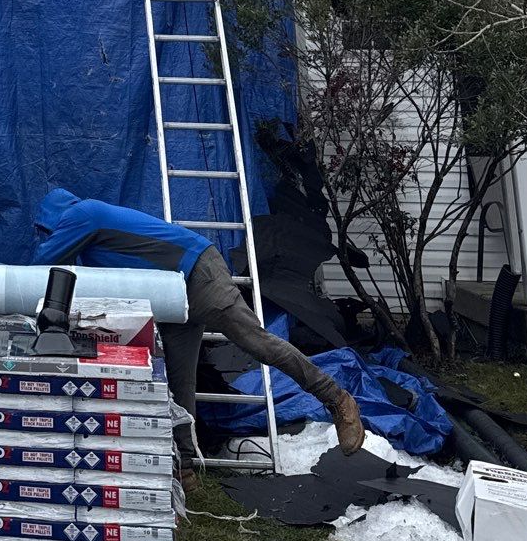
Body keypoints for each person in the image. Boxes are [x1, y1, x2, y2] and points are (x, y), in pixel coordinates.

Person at [34, 187, 366, 457]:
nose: (49, 237)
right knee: (179, 383)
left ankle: (336, 398)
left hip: (197, 274)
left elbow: (44, 264)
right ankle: (187, 466)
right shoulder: (90, 241)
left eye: (47, 232)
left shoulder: (83, 214)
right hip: (170, 295)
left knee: (256, 342)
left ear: (54, 218)